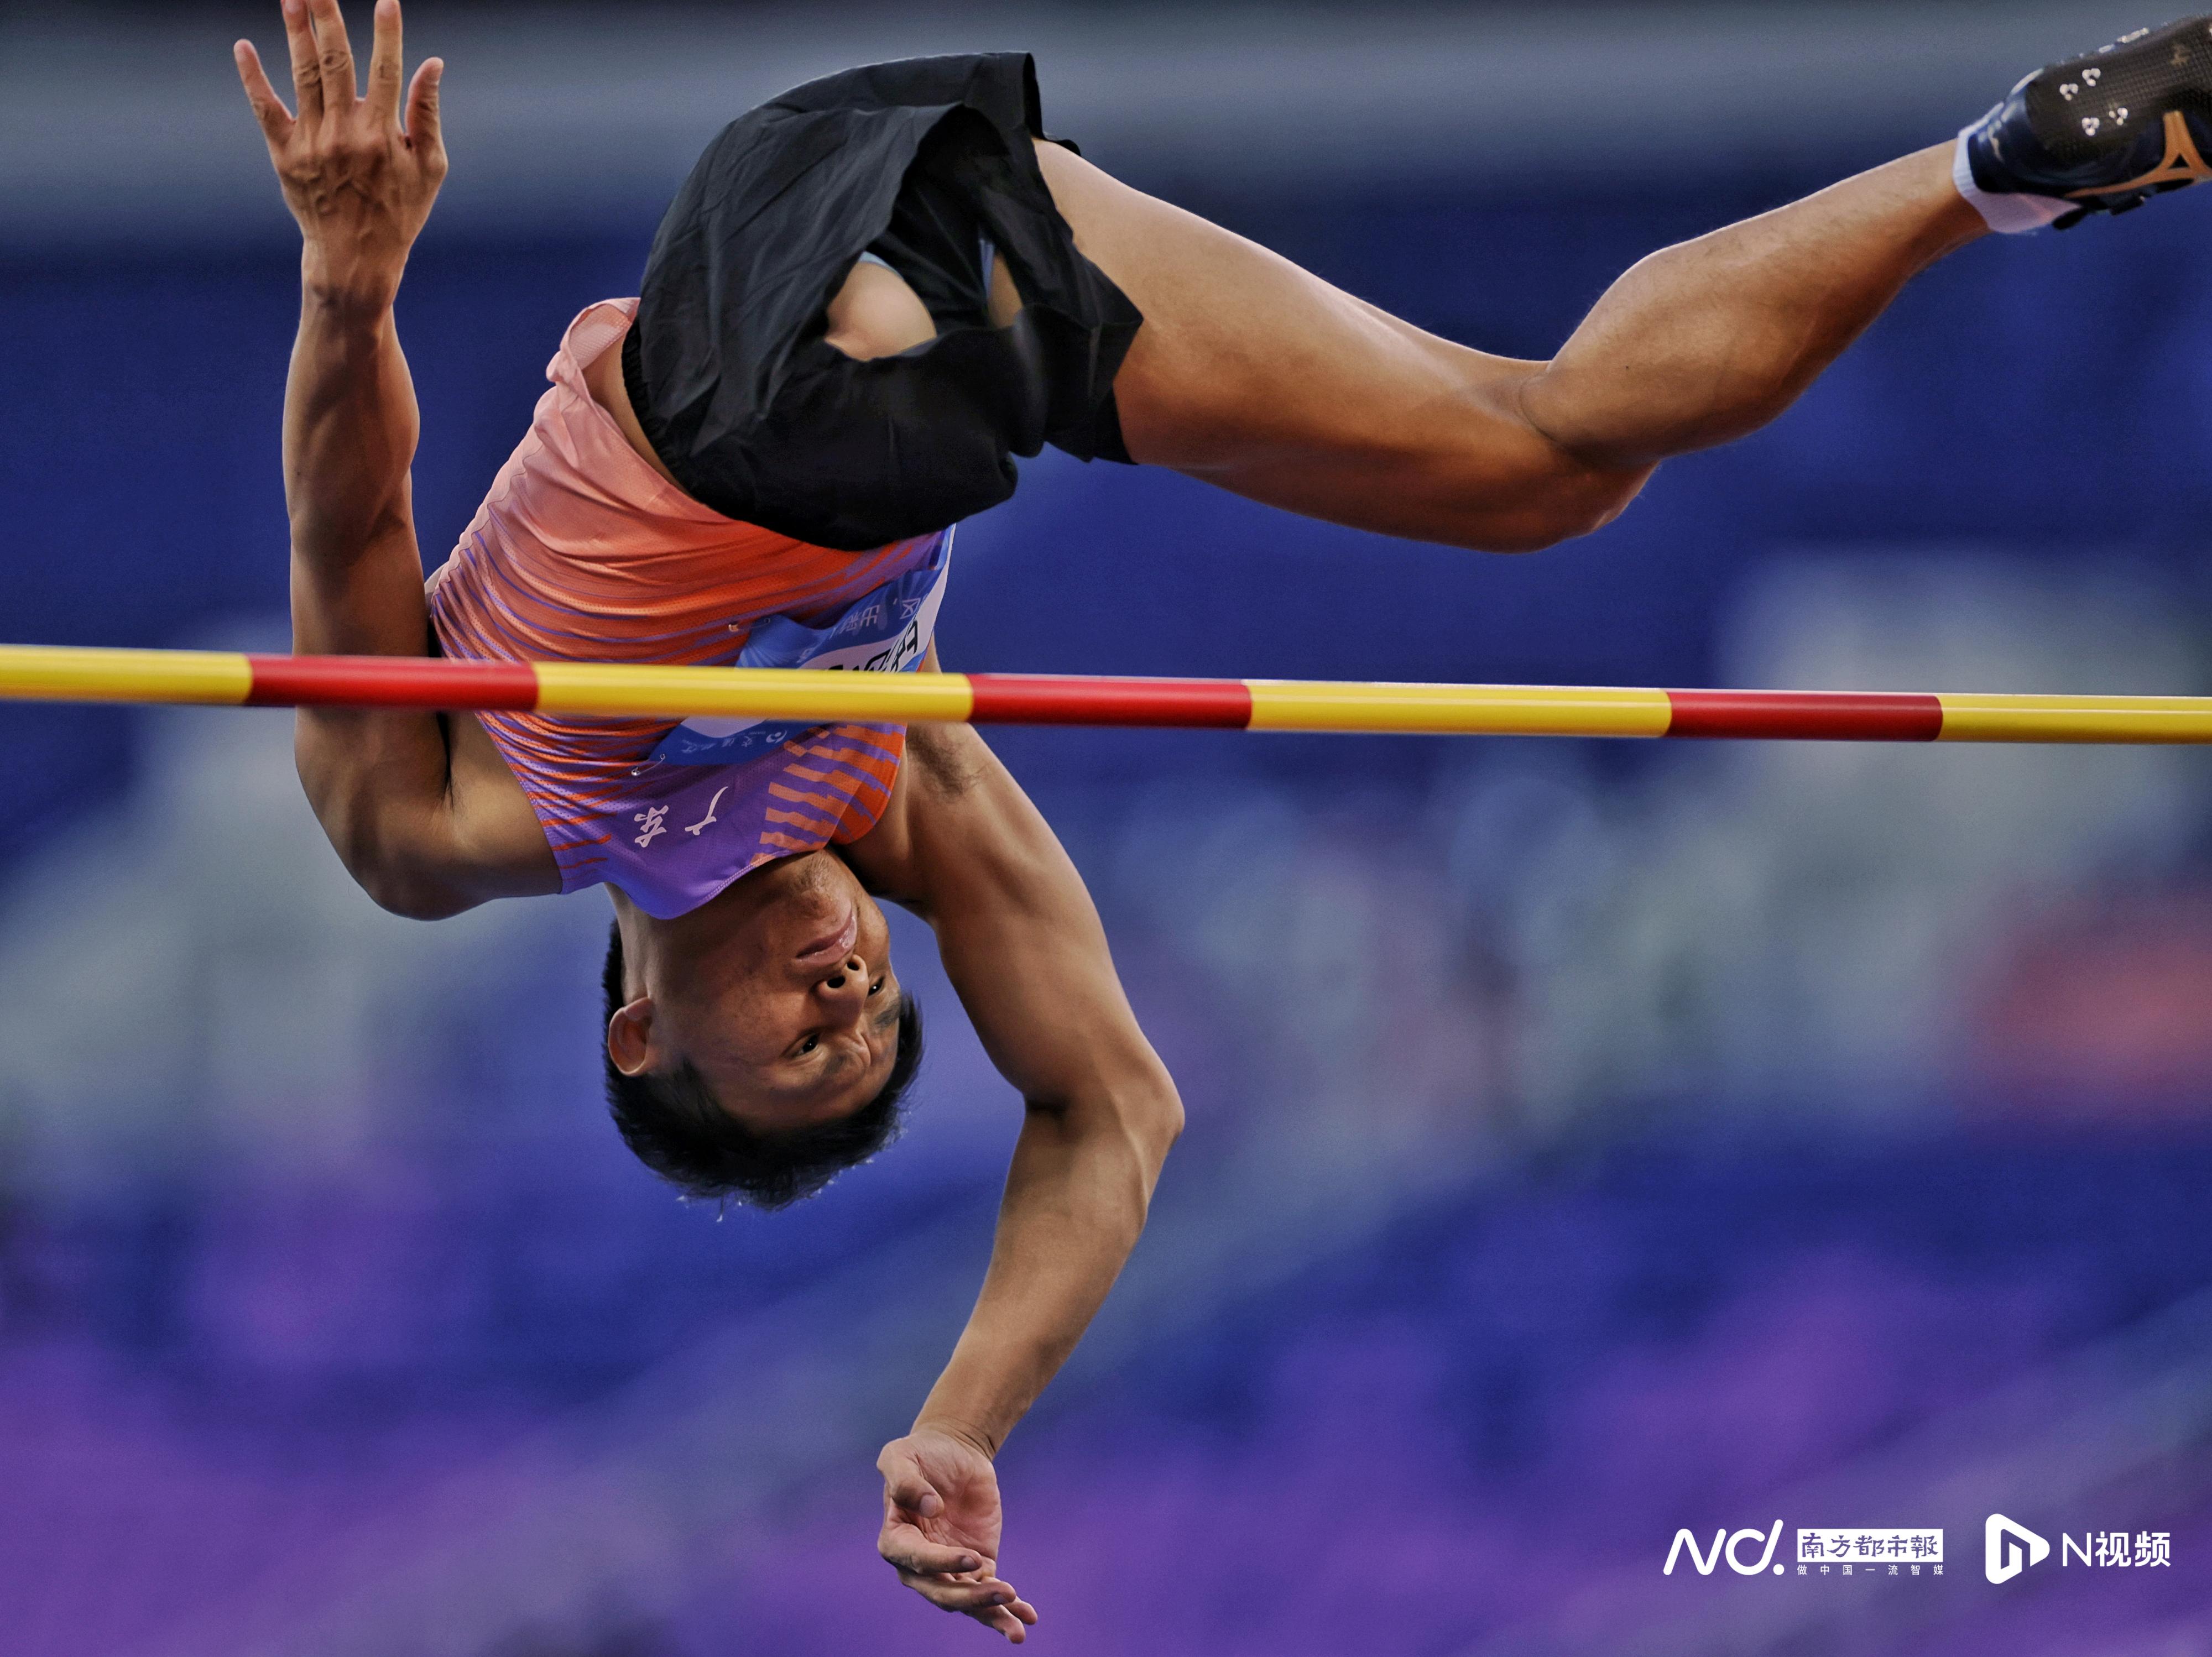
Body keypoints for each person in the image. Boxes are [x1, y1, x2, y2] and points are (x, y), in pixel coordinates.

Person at [232, 0, 2212, 1639]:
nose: (850, 990)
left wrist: (350, 279)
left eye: (801, 1044)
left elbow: (349, 520)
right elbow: (1114, 1109)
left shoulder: (462, 833)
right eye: (880, 1019)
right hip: (969, 284)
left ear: (637, 1030)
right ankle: (2006, 167)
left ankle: (885, 333)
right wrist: (964, 1422)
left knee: (875, 424)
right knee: (1549, 459)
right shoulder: (894, 778)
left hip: (752, 348)